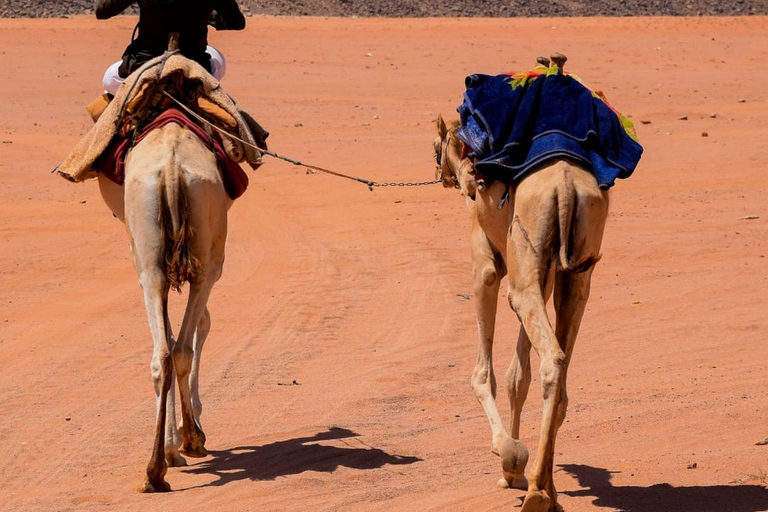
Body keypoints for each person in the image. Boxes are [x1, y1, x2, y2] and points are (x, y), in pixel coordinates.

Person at [96, 0, 246, 95]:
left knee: (109, 79)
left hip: (145, 64)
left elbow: (102, 12)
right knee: (217, 58)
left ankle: (109, 131)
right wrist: (204, 15)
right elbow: (236, 22)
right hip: (194, 64)